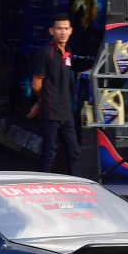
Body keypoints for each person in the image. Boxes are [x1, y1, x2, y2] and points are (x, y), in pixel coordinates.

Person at [28, 13, 80, 176]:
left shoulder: (68, 52)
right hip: (51, 113)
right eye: (59, 29)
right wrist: (42, 100)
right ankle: (43, 184)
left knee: (75, 152)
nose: (63, 32)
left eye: (66, 29)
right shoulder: (45, 52)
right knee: (49, 152)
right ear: (52, 31)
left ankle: (77, 185)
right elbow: (36, 85)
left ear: (71, 30)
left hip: (67, 112)